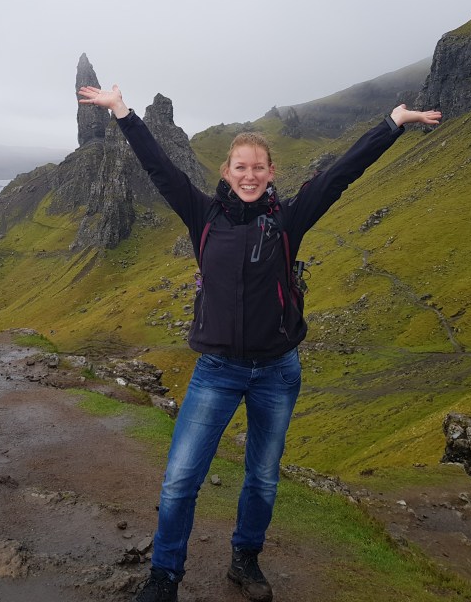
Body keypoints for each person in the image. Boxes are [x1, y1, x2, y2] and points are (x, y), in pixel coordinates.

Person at [78, 84, 441, 602]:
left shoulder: (288, 220)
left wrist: (393, 123)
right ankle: (164, 576)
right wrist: (122, 112)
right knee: (180, 479)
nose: (249, 176)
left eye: (258, 168)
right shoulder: (203, 215)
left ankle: (245, 560)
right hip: (217, 372)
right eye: (240, 167)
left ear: (271, 173)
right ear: (226, 172)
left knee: (263, 479)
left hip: (277, 371)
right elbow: (159, 168)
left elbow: (340, 175)